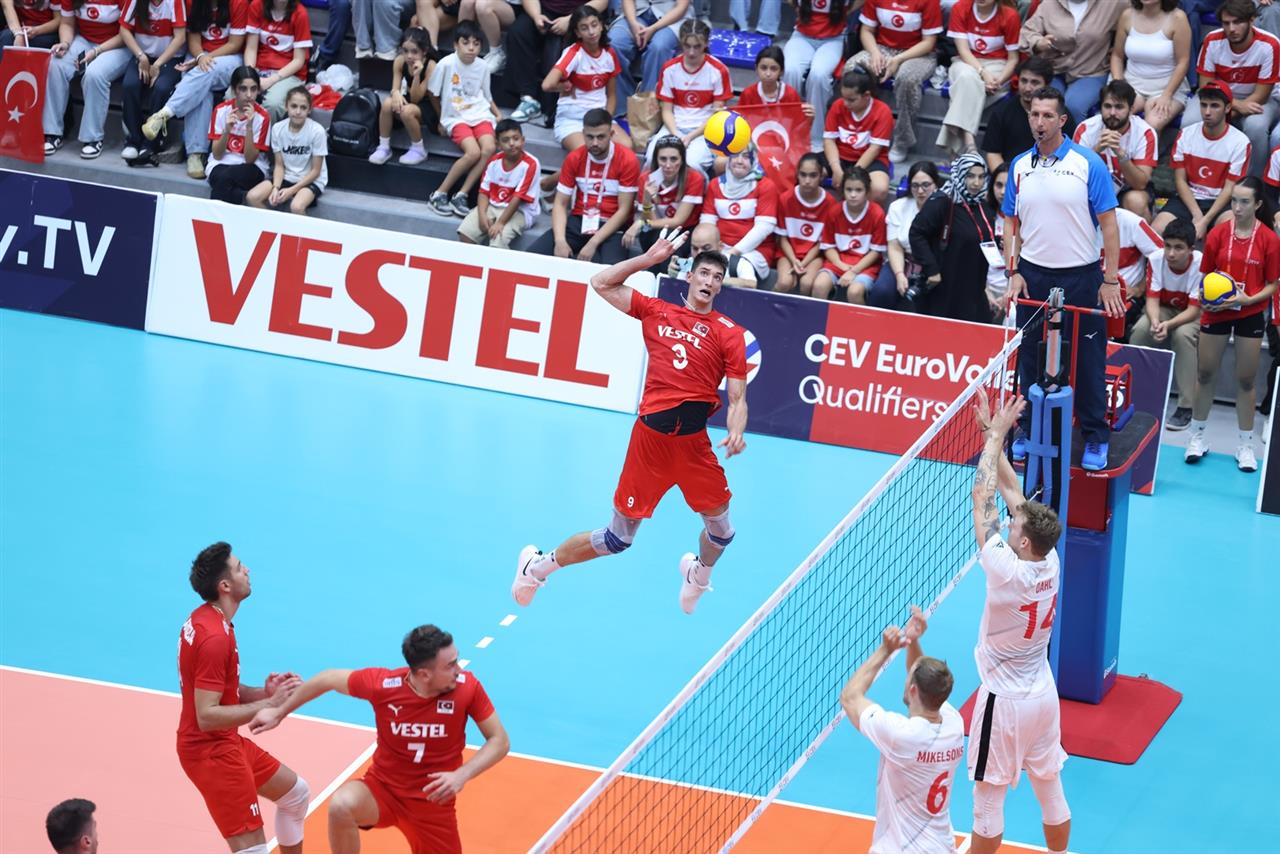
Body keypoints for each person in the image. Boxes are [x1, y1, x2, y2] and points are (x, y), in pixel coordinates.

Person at [514, 229, 748, 616]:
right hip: (650, 443)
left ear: (721, 286)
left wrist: (736, 430)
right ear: (690, 276)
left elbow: (738, 397)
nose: (709, 281)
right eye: (704, 273)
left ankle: (698, 575)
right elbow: (601, 282)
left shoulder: (729, 333)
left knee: (723, 531)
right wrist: (648, 259)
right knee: (617, 539)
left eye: (717, 277)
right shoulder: (657, 310)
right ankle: (537, 567)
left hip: (693, 446)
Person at [248, 625, 509, 854]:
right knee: (342, 805)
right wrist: (279, 712)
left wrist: (461, 775)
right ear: (424, 674)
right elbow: (328, 678)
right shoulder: (384, 686)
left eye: (456, 660)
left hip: (433, 804)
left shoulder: (467, 688)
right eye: (450, 665)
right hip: (383, 791)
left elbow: (499, 740)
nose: (458, 669)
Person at [967, 393, 1071, 854]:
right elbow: (1011, 495)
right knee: (1049, 787)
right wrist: (993, 436)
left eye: (1014, 527)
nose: (1010, 524)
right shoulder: (1049, 560)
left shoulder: (1005, 569)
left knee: (987, 800)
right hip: (1043, 695)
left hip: (1005, 702)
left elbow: (983, 497)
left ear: (1024, 542)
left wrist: (994, 439)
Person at [1004, 86, 1121, 472]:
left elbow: (1109, 225)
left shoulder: (1089, 164)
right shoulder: (1019, 166)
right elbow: (1011, 223)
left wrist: (1110, 280)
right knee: (1029, 360)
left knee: (1087, 361)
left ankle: (1095, 436)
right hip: (1032, 276)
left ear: (1062, 120)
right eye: (1034, 115)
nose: (1039, 122)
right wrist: (1013, 271)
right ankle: (1027, 429)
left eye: (1047, 116)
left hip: (1081, 278)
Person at [178, 542, 310, 854]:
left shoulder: (209, 620)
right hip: (212, 753)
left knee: (296, 795)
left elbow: (223, 691)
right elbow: (207, 715)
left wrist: (265, 693)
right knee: (253, 850)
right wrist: (269, 705)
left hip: (224, 741)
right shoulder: (214, 638)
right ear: (225, 586)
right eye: (239, 568)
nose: (247, 570)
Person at [840, 606, 964, 854]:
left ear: (913, 690)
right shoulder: (954, 724)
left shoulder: (901, 736)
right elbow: (924, 678)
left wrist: (885, 650)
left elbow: (850, 697)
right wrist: (913, 641)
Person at [1186, 176, 1279, 472]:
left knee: (1246, 380)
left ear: (1258, 204)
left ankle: (1245, 446)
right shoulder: (1218, 234)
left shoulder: (1269, 240)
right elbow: (1205, 276)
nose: (1237, 207)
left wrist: (1248, 299)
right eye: (1234, 200)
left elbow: (1273, 284)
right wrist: (1207, 299)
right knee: (1205, 373)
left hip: (1249, 313)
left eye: (1244, 202)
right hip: (1216, 312)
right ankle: (1197, 437)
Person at [140, 0, 248, 179]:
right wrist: (199, 57)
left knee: (204, 72)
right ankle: (196, 155)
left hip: (230, 59)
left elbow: (234, 44)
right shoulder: (192, 2)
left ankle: (164, 114)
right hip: (198, 56)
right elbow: (194, 39)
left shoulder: (238, 2)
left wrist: (205, 59)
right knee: (201, 91)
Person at [530, 107, 640, 262]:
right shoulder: (575, 157)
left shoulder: (627, 159)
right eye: (590, 137)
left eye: (601, 137)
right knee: (532, 256)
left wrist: (593, 243)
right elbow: (560, 203)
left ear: (611, 134)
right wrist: (560, 241)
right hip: (580, 220)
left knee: (609, 271)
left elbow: (624, 210)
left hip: (613, 226)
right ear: (583, 134)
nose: (595, 143)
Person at [537, 3, 620, 201]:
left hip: (599, 117)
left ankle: (553, 193)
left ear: (602, 25)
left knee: (626, 147)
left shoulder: (609, 53)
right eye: (584, 27)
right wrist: (564, 86)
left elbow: (612, 95)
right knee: (590, 152)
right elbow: (547, 84)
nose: (591, 31)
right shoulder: (574, 53)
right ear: (577, 32)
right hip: (572, 119)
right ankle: (547, 183)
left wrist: (607, 121)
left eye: (594, 25)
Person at [1188, 0, 1279, 177]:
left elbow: (1262, 94)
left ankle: (1253, 181)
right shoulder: (1212, 40)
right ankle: (1197, 178)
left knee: (1256, 127)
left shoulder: (1269, 44)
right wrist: (1234, 106)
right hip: (1216, 97)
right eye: (1226, 23)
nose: (1231, 29)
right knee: (1190, 121)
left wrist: (1227, 111)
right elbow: (1206, 86)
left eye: (1237, 22)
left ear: (1251, 20)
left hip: (1258, 99)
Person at [1151, 80, 1250, 239]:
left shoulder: (1240, 142)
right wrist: (1197, 214)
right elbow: (1180, 180)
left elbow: (1230, 188)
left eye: (1214, 106)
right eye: (1204, 105)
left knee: (1231, 233)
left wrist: (1205, 221)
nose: (1207, 112)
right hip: (1188, 199)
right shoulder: (1186, 134)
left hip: (1222, 202)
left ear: (1227, 108)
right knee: (1156, 230)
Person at [846, 0, 942, 164]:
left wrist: (898, 59)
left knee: (907, 79)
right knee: (852, 69)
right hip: (882, 47)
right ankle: (858, 129)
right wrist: (875, 53)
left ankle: (902, 141)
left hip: (918, 53)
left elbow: (929, 42)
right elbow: (867, 30)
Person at [1129, 217, 1202, 431]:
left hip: (1191, 312)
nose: (1171, 253)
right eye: (1168, 246)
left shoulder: (1201, 263)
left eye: (1178, 248)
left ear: (1191, 249)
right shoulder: (1155, 258)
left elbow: (1193, 310)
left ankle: (1186, 406)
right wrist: (1155, 322)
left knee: (1183, 335)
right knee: (1141, 330)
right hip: (1163, 308)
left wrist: (1167, 326)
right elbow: (1152, 300)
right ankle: (1133, 394)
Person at [911, 152, 1001, 322]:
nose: (976, 183)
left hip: (973, 286)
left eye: (981, 177)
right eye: (970, 176)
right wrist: (931, 270)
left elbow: (976, 236)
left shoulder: (982, 205)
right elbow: (916, 233)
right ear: (960, 174)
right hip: (946, 285)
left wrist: (997, 242)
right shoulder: (942, 202)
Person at [427, 20, 501, 217]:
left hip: (480, 114)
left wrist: (497, 113)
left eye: (476, 43)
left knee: (489, 148)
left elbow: (486, 94)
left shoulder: (483, 66)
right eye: (466, 42)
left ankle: (462, 194)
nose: (471, 48)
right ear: (455, 44)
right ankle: (439, 193)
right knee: (473, 153)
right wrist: (441, 119)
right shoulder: (446, 64)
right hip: (456, 117)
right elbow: (432, 93)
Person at [42, 0, 132, 159]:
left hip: (119, 45)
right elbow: (67, 23)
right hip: (84, 40)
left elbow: (125, 34)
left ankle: (93, 138)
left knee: (94, 74)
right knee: (55, 65)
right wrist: (65, 43)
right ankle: (52, 133)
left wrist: (97, 51)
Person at [503, 0, 609, 125]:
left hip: (581, 14)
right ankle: (528, 98)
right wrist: (536, 15)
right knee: (519, 32)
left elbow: (602, 1)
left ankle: (562, 107)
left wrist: (571, 19)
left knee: (567, 45)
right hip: (545, 10)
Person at [938, 0, 1021, 158]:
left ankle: (957, 152)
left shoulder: (1010, 16)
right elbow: (963, 50)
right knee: (966, 77)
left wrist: (999, 81)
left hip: (998, 64)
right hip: (965, 61)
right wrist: (983, 73)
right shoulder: (960, 8)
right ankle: (970, 143)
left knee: (965, 86)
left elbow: (1013, 59)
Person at [1018, 0, 1125, 122]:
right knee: (1045, 104)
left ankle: (1072, 135)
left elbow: (1135, 17)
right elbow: (1027, 33)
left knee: (1073, 107)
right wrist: (1038, 42)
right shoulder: (1050, 3)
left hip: (1091, 71)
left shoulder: (1113, 4)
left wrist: (1119, 47)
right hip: (1055, 71)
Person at [651, 18, 729, 173]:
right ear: (681, 42)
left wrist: (690, 136)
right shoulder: (669, 68)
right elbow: (666, 110)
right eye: (687, 46)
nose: (692, 52)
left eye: (697, 46)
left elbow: (716, 116)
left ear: (706, 43)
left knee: (692, 166)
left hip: (704, 130)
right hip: (673, 127)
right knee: (650, 160)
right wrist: (676, 134)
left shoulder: (718, 70)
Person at [1071, 80, 1158, 218]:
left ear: (1131, 109)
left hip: (1128, 189)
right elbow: (1073, 175)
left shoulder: (1145, 133)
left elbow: (1140, 184)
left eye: (1119, 107)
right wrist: (1097, 150)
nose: (1112, 113)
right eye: (1107, 106)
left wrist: (1120, 154)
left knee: (1136, 201)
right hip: (1093, 188)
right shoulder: (1085, 129)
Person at [117, 0, 186, 162]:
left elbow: (180, 38)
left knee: (162, 88)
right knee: (130, 84)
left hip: (170, 58)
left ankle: (152, 143)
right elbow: (124, 30)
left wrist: (158, 64)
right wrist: (141, 56)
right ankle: (133, 140)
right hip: (143, 56)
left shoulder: (175, 2)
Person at [699, 144, 778, 282]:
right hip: (720, 248)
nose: (739, 161)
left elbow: (764, 227)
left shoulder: (765, 185)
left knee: (732, 267)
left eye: (746, 157)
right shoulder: (715, 184)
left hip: (755, 251)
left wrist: (732, 253)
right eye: (735, 155)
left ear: (754, 160)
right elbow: (707, 224)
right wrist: (713, 249)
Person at [782, 0, 855, 149]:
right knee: (790, 70)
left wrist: (847, 10)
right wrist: (796, 5)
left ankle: (815, 138)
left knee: (819, 76)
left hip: (833, 39)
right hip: (801, 36)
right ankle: (786, 131)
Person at [1109, 0, 1191, 133]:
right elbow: (1117, 56)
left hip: (1167, 87)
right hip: (1131, 84)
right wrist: (1119, 85)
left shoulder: (1178, 18)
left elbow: (1183, 62)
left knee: (1152, 124)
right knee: (1116, 117)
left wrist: (1166, 95)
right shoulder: (1127, 15)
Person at [457, 118, 541, 247]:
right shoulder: (493, 161)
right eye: (505, 140)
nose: (511, 143)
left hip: (520, 211)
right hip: (493, 205)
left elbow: (518, 198)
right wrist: (482, 216)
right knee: (466, 233)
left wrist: (500, 222)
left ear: (523, 140)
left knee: (498, 239)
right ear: (498, 144)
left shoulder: (531, 164)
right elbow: (484, 192)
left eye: (516, 138)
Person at [981, 56, 1071, 171]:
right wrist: (1006, 179)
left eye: (1035, 82)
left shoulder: (1059, 114)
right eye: (1024, 81)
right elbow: (993, 153)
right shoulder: (1002, 112)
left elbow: (1069, 152)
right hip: (1012, 174)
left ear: (1047, 84)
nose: (1027, 88)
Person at [246, 85, 327, 214]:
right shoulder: (277, 129)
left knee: (296, 206)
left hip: (310, 179)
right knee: (252, 197)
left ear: (309, 110)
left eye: (303, 107)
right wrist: (275, 188)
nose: (298, 111)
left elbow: (316, 171)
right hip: (286, 176)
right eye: (294, 106)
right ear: (286, 106)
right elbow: (279, 165)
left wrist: (291, 191)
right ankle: (273, 225)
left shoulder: (317, 131)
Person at [624, 134, 706, 257]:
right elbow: (653, 220)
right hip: (656, 229)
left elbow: (677, 221)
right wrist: (647, 199)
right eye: (663, 159)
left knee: (666, 241)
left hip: (684, 230)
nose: (668, 165)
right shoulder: (646, 179)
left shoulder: (694, 178)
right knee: (655, 238)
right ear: (656, 160)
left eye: (674, 159)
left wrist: (642, 224)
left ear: (682, 159)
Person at [816, 166, 887, 303]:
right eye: (849, 189)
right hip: (838, 262)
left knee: (854, 292)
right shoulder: (834, 212)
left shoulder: (877, 214)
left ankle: (862, 318)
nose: (853, 195)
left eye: (858, 190)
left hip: (865, 265)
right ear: (843, 190)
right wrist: (841, 265)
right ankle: (818, 317)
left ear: (867, 191)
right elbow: (828, 247)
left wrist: (854, 271)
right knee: (819, 285)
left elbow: (875, 252)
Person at [822, 68, 894, 204]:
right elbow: (829, 140)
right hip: (839, 156)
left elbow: (874, 149)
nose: (845, 104)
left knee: (879, 189)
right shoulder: (837, 106)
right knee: (809, 173)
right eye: (843, 98)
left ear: (866, 95)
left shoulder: (882, 111)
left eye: (851, 100)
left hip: (870, 160)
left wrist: (852, 176)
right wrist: (836, 168)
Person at [369, 26, 437, 166]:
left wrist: (417, 75)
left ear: (424, 51)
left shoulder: (431, 65)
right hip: (410, 99)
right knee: (387, 103)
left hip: (427, 105)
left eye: (414, 52)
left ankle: (419, 149)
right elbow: (395, 88)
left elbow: (416, 98)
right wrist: (396, 94)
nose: (409, 56)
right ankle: (384, 146)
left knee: (407, 111)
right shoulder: (400, 61)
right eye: (405, 51)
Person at [875, 160, 937, 308]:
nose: (920, 191)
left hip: (933, 266)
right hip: (903, 260)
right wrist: (899, 274)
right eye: (915, 186)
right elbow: (894, 246)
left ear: (935, 185)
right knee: (881, 291)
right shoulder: (898, 207)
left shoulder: (945, 208)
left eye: (926, 185)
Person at [206, 65, 272, 204]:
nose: (249, 95)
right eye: (243, 89)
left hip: (252, 167)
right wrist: (227, 130)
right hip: (221, 162)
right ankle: (240, 200)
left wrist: (249, 127)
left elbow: (250, 159)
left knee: (224, 179)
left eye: (253, 89)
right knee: (223, 178)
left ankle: (213, 213)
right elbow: (217, 155)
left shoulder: (263, 117)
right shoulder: (221, 110)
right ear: (234, 89)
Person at [775, 152, 837, 296]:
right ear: (797, 174)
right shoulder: (785, 199)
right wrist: (794, 261)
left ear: (821, 176)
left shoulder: (830, 203)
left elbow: (822, 243)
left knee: (807, 283)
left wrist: (803, 263)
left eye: (813, 175)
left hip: (815, 256)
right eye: (803, 175)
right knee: (784, 282)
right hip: (788, 253)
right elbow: (782, 239)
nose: (807, 180)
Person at [609, 0, 689, 104]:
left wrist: (653, 28)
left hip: (671, 17)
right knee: (615, 43)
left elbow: (682, 6)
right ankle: (622, 105)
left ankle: (647, 105)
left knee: (659, 47)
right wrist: (633, 23)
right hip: (636, 13)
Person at [243, 0, 311, 123]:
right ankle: (237, 134)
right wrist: (250, 75)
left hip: (289, 73)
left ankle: (263, 135)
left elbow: (298, 60)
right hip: (259, 68)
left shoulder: (300, 14)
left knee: (273, 104)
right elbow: (251, 48)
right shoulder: (257, 6)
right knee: (234, 95)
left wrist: (270, 80)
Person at [736, 44, 813, 123]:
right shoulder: (748, 94)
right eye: (763, 68)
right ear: (756, 68)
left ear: (781, 71)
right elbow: (739, 122)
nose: (768, 74)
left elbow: (798, 125)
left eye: (773, 69)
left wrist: (809, 119)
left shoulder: (791, 95)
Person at [668, 222, 759, 286]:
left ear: (720, 247)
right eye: (695, 248)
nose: (699, 253)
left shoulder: (739, 264)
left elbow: (751, 284)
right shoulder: (687, 264)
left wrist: (715, 280)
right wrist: (673, 273)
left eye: (706, 248)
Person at [984, 163, 1011, 320]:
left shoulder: (1026, 219)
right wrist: (984, 290)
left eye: (1008, 186)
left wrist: (1010, 291)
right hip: (984, 288)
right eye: (998, 185)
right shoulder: (984, 216)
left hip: (1014, 291)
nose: (1002, 192)